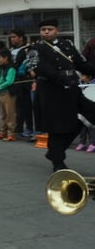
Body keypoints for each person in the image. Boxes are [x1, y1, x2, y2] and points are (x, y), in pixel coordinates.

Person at [30, 19, 95, 172]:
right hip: (51, 92)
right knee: (56, 128)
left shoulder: (68, 45)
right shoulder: (36, 48)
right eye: (43, 29)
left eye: (50, 29)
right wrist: (63, 78)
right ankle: (58, 162)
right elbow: (41, 68)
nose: (46, 31)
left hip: (72, 90)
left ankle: (54, 152)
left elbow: (82, 64)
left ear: (56, 30)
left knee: (89, 114)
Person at [0, 49, 17, 141]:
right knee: (3, 114)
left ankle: (11, 133)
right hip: (1, 93)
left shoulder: (11, 68)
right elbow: (0, 79)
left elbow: (9, 81)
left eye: (0, 58)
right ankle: (2, 132)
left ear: (6, 58)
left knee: (10, 114)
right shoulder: (2, 67)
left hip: (8, 93)